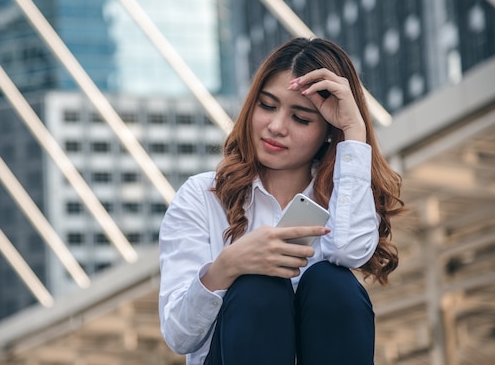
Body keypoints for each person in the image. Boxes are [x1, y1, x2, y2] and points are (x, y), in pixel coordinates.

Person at [158, 37, 404, 365]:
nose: (276, 127)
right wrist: (228, 266)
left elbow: (349, 252)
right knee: (257, 287)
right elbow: (179, 336)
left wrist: (353, 131)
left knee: (332, 282)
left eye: (300, 118)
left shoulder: (344, 194)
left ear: (328, 131)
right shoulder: (202, 196)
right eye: (267, 106)